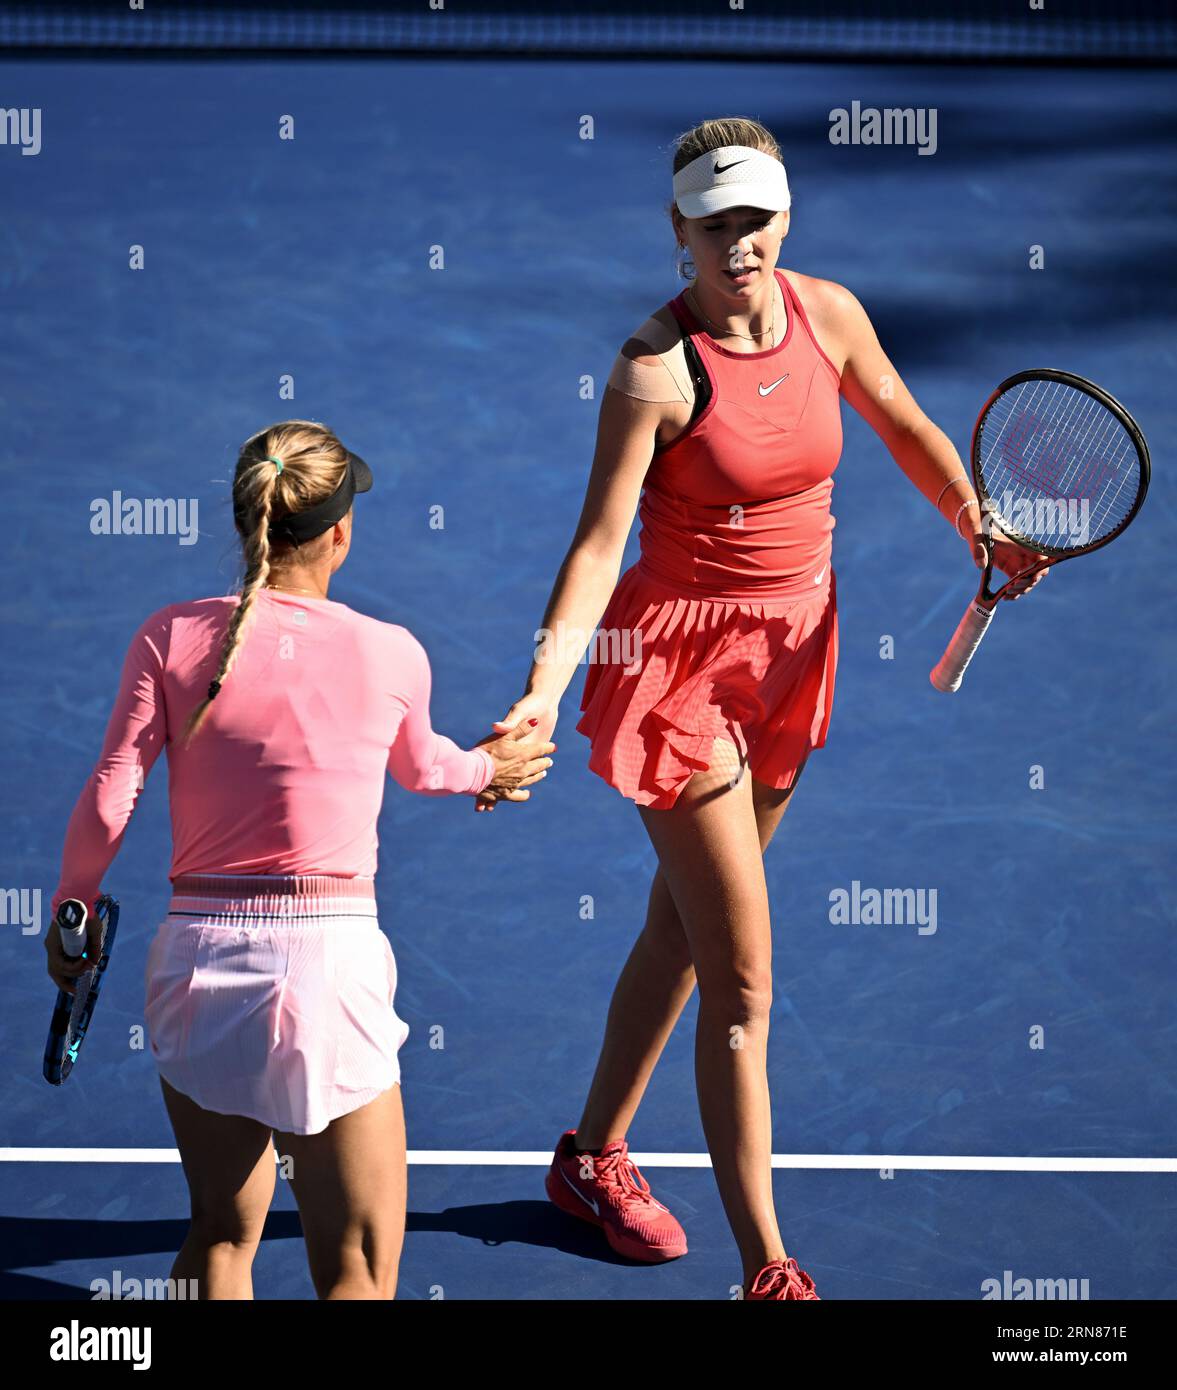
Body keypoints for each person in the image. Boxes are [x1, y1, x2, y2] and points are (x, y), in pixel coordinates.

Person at [482, 117, 1045, 1300]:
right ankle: (768, 1267)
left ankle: (589, 1158)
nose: (740, 243)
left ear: (783, 219)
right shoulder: (653, 369)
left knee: (681, 933)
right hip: (678, 676)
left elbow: (899, 420)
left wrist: (974, 520)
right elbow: (596, 548)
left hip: (792, 657)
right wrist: (540, 691)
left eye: (757, 218)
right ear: (677, 231)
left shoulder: (827, 312)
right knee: (742, 977)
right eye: (715, 223)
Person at [44, 420, 555, 1299]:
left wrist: (72, 914)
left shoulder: (169, 637)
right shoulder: (389, 650)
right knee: (354, 1268)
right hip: (329, 975)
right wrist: (493, 769)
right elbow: (428, 767)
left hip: (197, 968)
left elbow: (111, 789)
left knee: (218, 1238)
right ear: (339, 535)